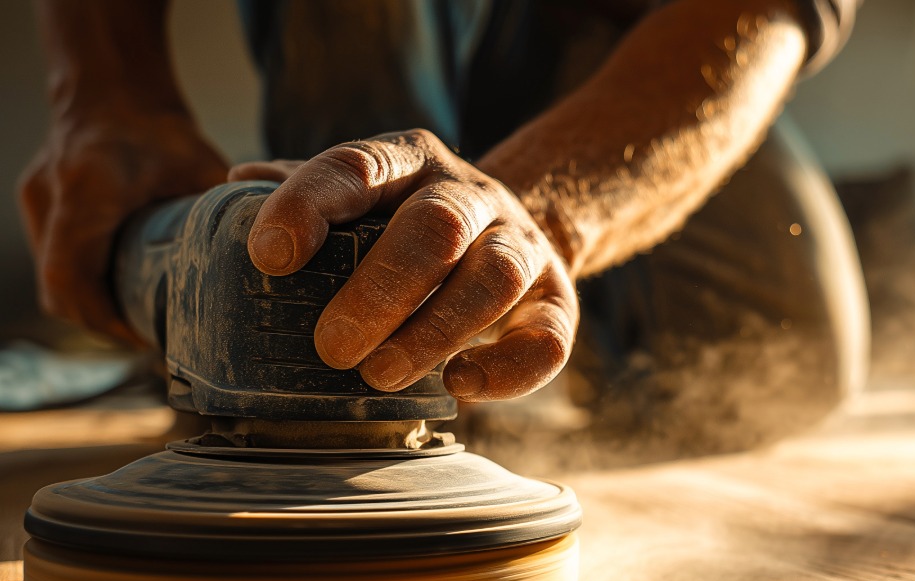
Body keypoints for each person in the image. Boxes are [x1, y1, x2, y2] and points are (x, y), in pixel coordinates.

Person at [19, 0, 869, 460]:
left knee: (786, 355)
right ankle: (327, 361)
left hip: (608, 40)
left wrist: (537, 217)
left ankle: (452, 344)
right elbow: (107, 97)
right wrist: (108, 100)